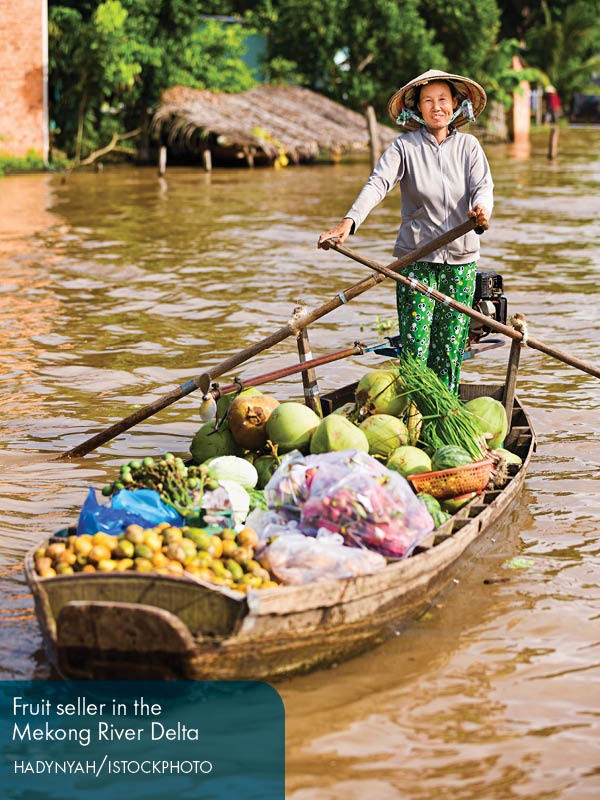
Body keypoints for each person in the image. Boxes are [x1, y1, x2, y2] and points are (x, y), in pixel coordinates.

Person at [318, 69, 493, 394]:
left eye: (443, 99)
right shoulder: (404, 147)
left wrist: (482, 211)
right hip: (415, 262)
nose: (436, 106)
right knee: (415, 347)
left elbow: (483, 187)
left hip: (461, 262)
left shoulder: (469, 147)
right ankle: (414, 411)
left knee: (451, 349)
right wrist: (348, 222)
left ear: (455, 104)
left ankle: (444, 411)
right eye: (428, 101)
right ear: (417, 108)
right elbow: (378, 184)